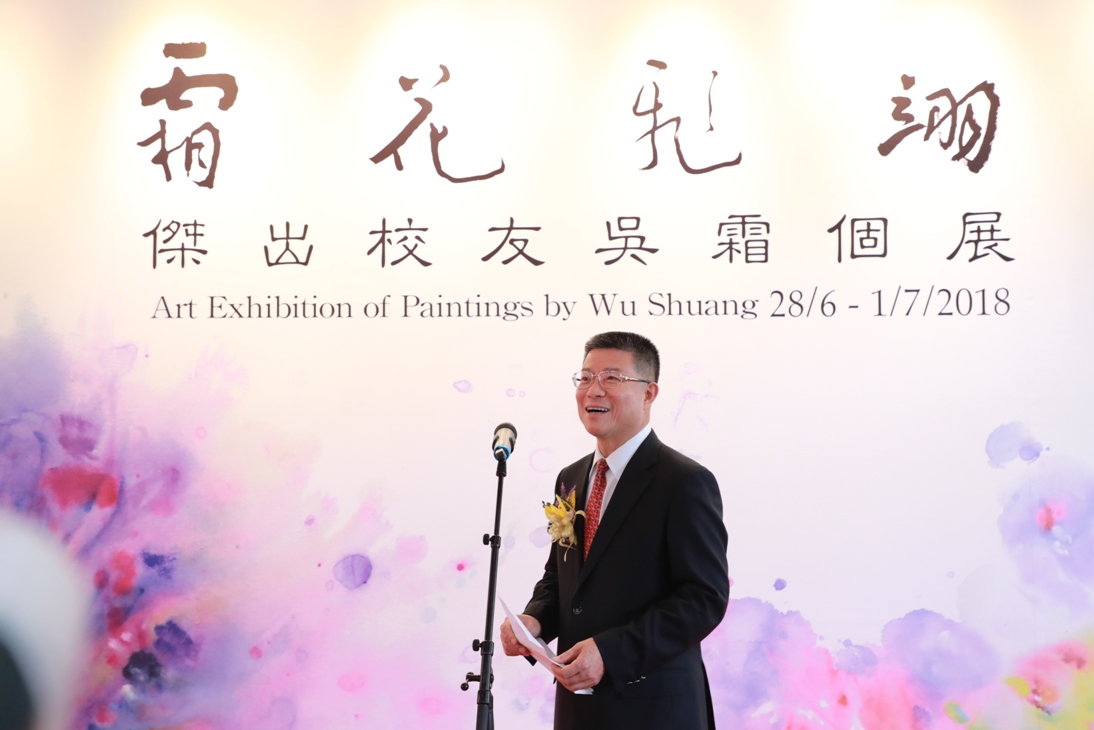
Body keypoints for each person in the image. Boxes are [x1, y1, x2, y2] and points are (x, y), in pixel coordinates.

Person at [501, 332, 729, 730]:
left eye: (612, 378)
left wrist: (610, 652)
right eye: (586, 377)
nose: (594, 389)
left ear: (649, 393)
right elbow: (562, 578)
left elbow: (702, 599)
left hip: (655, 709)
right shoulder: (571, 477)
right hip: (578, 708)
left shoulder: (683, 481)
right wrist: (534, 621)